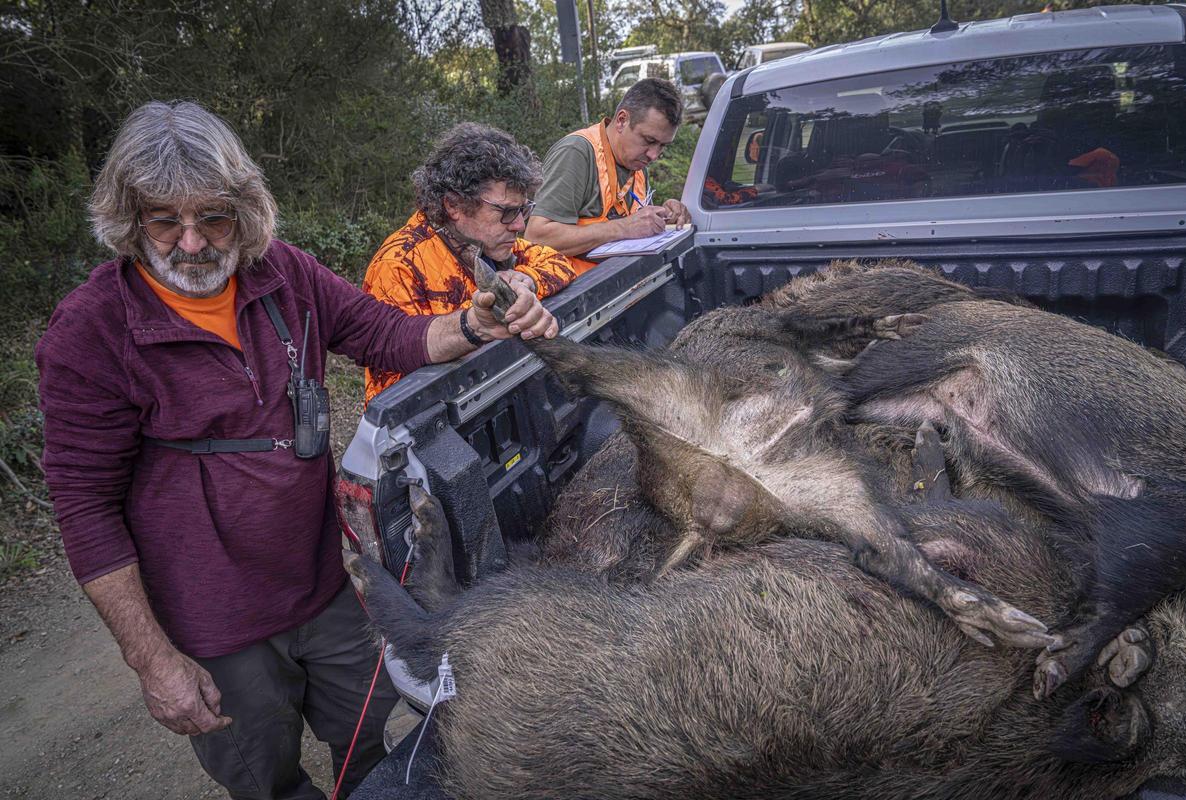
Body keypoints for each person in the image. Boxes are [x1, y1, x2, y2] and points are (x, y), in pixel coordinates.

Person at [34, 100, 557, 800]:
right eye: (164, 220)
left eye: (213, 218)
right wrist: (153, 659)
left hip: (327, 587)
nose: (191, 245)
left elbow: (387, 336)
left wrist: (474, 321)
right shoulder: (92, 330)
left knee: (372, 750)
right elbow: (85, 506)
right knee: (266, 776)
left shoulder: (282, 273)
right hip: (215, 624)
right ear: (130, 220)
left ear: (245, 209)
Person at [363, 122, 579, 404]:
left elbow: (558, 262)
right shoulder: (399, 266)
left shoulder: (486, 243)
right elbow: (396, 394)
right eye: (507, 211)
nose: (519, 224)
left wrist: (525, 281)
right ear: (454, 205)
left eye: (524, 210)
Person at [525, 77, 693, 272]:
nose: (654, 155)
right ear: (622, 120)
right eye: (649, 140)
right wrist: (624, 228)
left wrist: (664, 217)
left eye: (663, 145)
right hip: (574, 295)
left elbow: (636, 226)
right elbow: (536, 238)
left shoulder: (637, 165)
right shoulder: (576, 153)